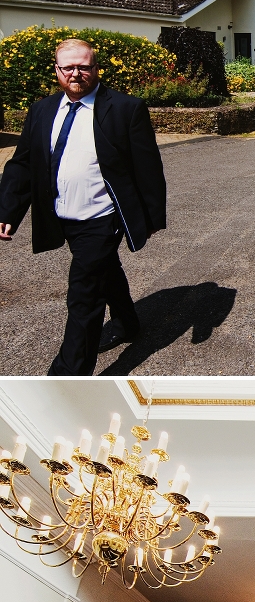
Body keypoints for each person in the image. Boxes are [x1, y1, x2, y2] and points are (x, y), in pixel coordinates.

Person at [0, 39, 166, 375]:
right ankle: (127, 322)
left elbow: (148, 167)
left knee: (84, 295)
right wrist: (7, 210)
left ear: (96, 68)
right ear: (57, 70)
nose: (77, 73)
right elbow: (23, 164)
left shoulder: (124, 108)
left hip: (101, 217)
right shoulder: (42, 110)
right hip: (61, 214)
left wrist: (150, 216)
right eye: (69, 67)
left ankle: (67, 377)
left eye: (84, 66)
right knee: (105, 271)